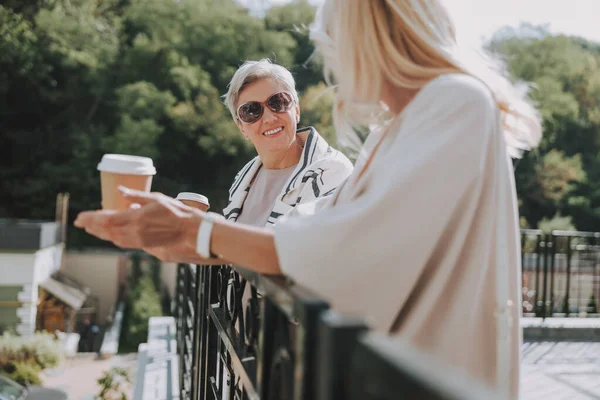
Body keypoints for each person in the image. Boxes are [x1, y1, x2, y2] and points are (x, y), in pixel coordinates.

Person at [75, 0, 541, 397]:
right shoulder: (396, 130)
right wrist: (191, 235)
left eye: (333, 42)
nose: (332, 62)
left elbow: (340, 253)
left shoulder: (454, 102)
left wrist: (196, 231)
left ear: (366, 37)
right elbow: (309, 234)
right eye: (251, 111)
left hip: (426, 379)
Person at [220, 59, 352, 228]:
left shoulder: (331, 171)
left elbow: (302, 248)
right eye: (251, 110)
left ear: (296, 110)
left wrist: (208, 232)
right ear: (242, 128)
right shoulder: (244, 177)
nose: (269, 118)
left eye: (278, 102)